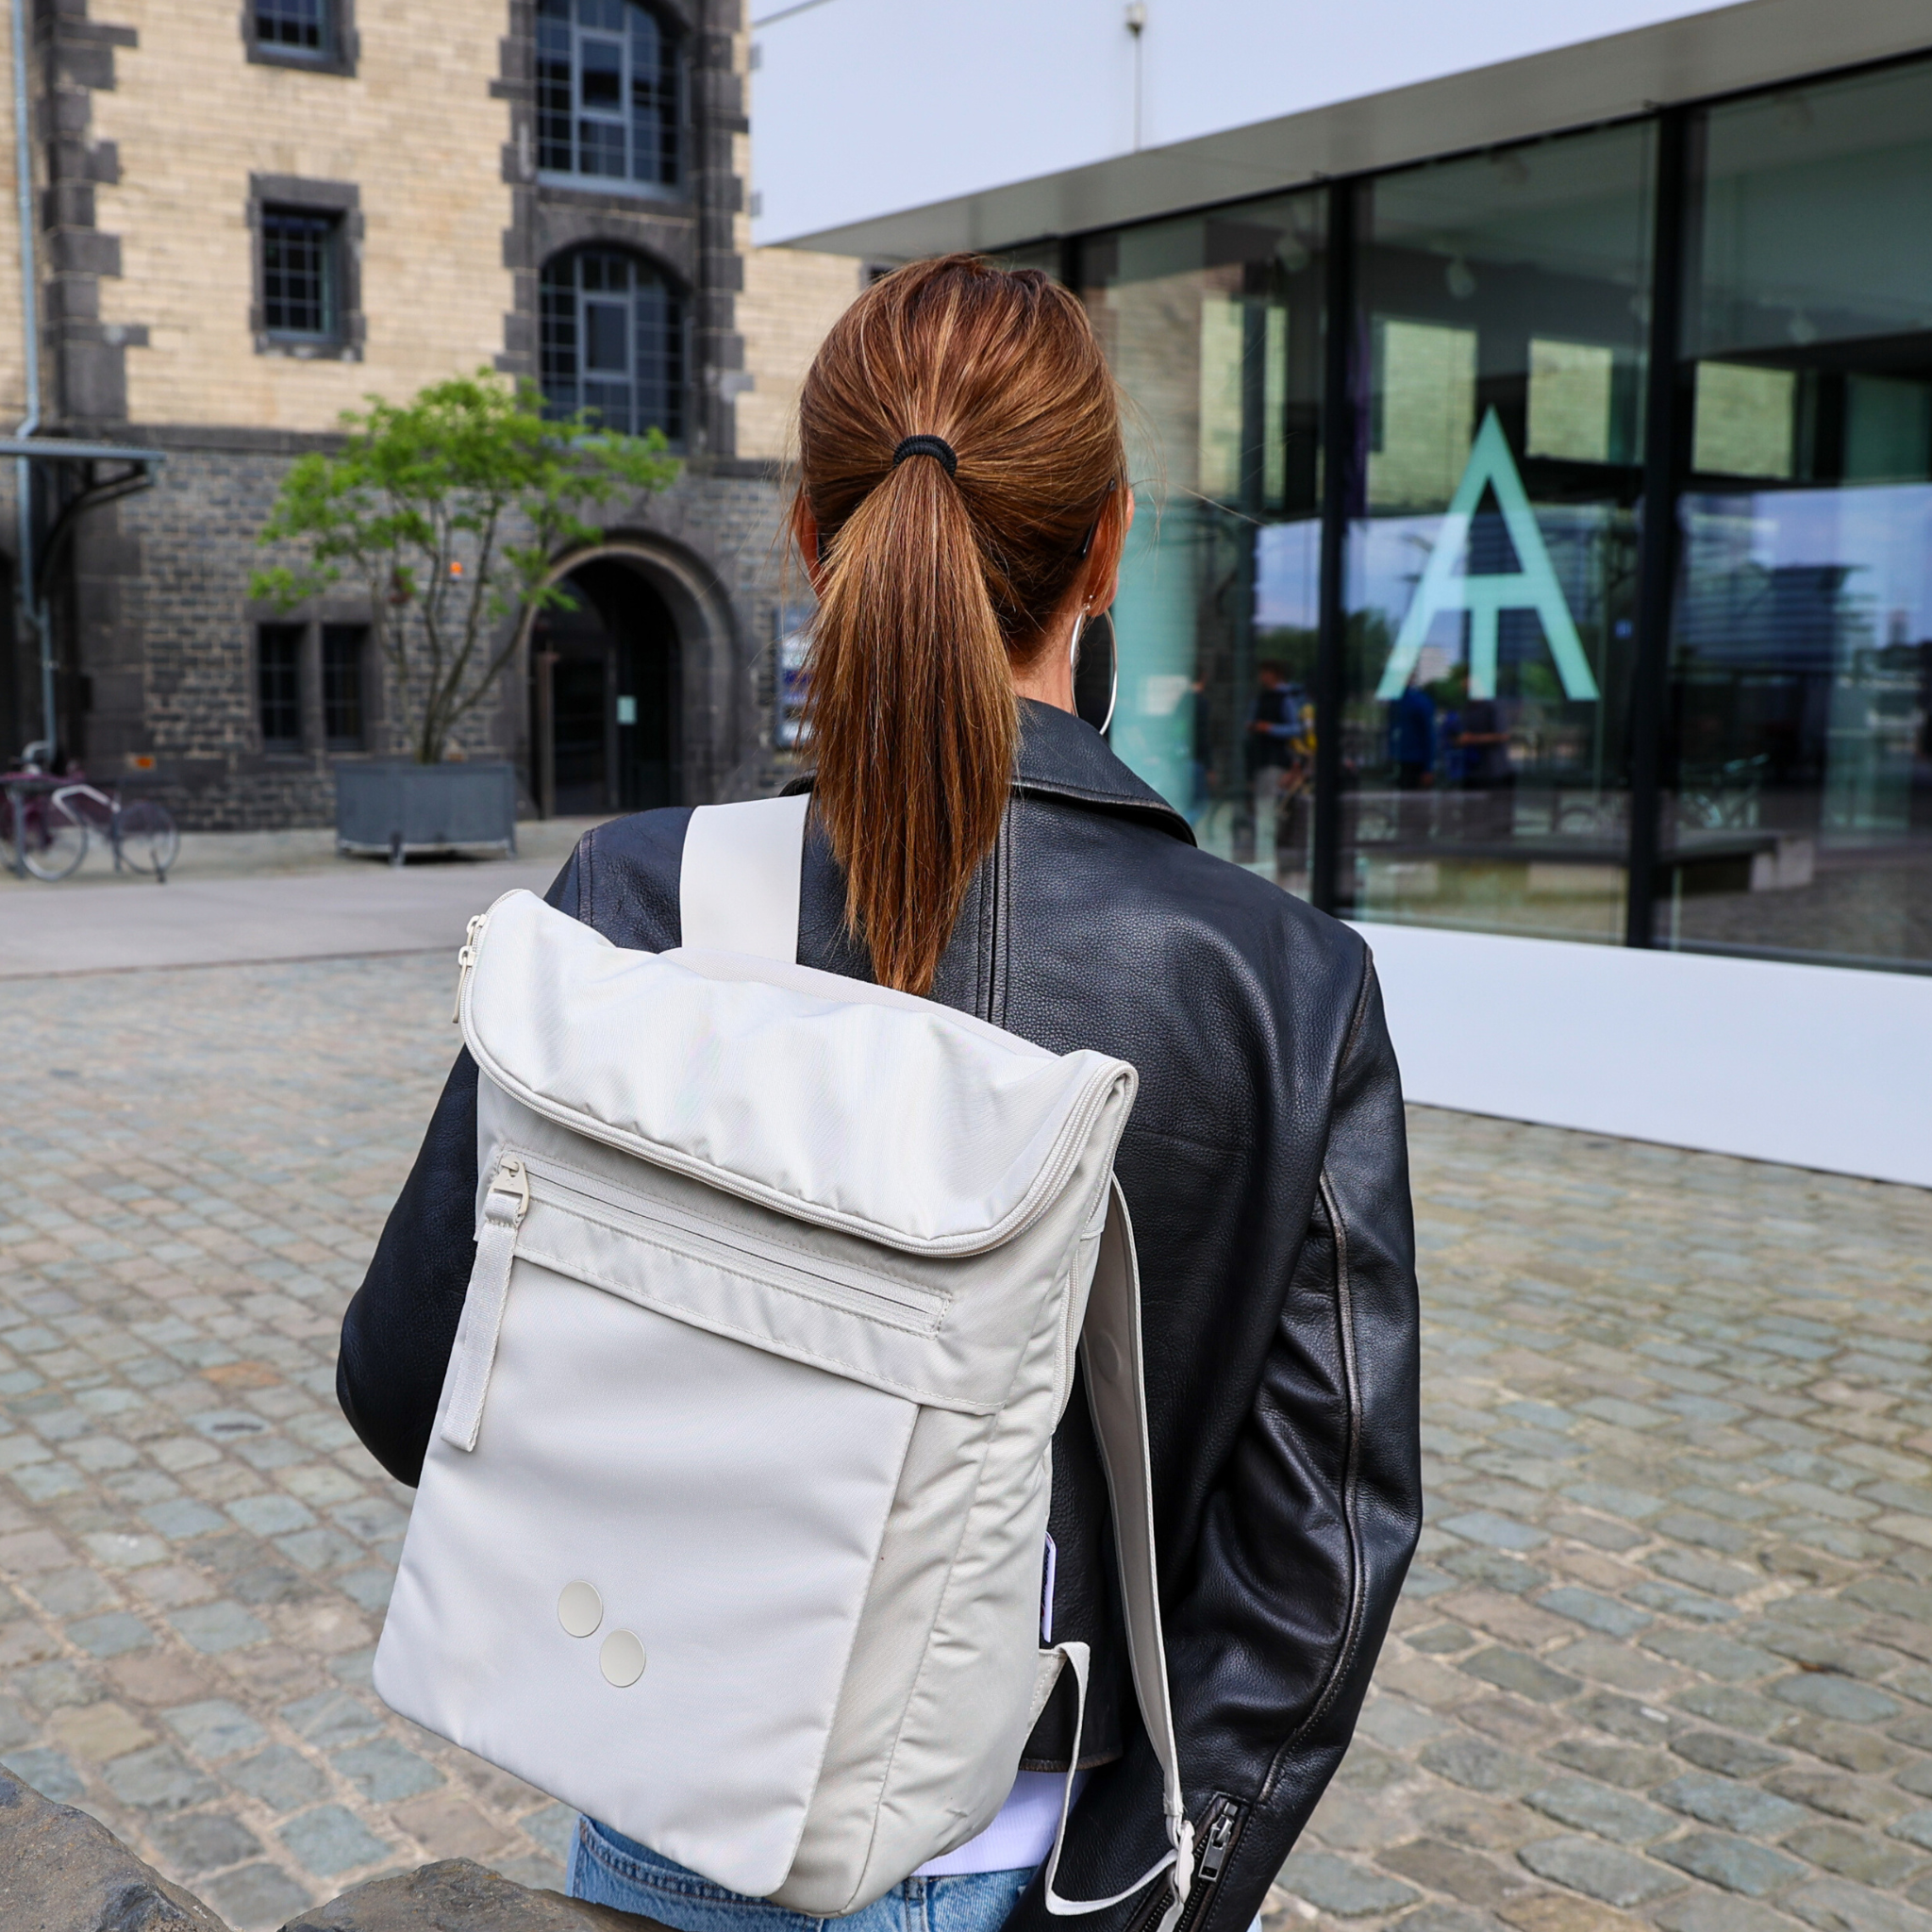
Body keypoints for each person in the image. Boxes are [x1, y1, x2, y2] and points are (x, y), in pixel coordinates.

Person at [337, 256, 1421, 1932]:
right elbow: (1320, 1554)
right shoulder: (1282, 984)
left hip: (675, 1818)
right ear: (1108, 542)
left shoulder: (641, 897)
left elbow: (409, 1382)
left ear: (810, 535)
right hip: (1048, 1856)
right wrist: (1163, 1899)